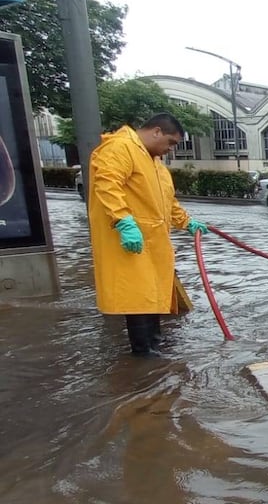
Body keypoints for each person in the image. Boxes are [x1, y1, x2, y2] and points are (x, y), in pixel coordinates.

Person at [88, 113, 209, 357]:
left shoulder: (155, 164)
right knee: (138, 298)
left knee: (152, 295)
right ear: (156, 132)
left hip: (153, 244)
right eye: (170, 143)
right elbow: (107, 184)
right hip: (131, 241)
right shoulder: (120, 148)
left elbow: (168, 202)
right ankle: (143, 356)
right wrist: (123, 221)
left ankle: (154, 347)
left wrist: (188, 222)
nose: (169, 150)